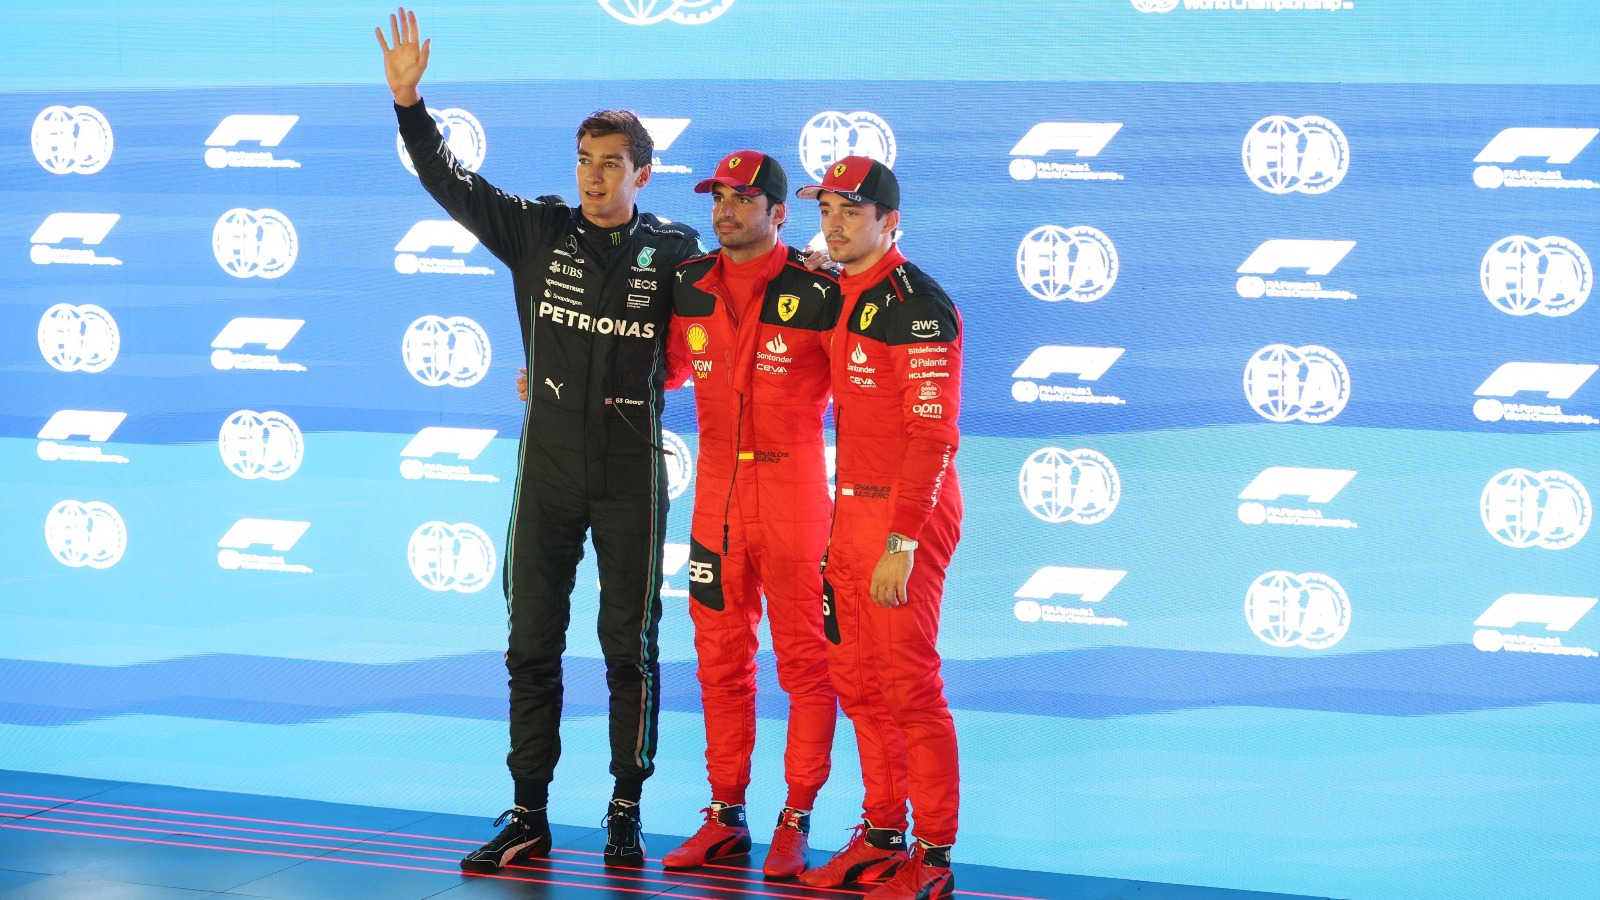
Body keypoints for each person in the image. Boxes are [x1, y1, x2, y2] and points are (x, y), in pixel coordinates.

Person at [377, 7, 702, 871]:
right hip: (548, 471)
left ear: (642, 173)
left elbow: (725, 329)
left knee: (629, 646)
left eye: (611, 166)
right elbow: (451, 182)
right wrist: (411, 104)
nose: (595, 179)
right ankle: (528, 812)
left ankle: (626, 808)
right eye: (585, 163)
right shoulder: (539, 229)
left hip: (632, 473)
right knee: (531, 646)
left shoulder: (676, 251)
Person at [661, 151, 841, 877]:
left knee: (807, 665)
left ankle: (796, 817)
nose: (725, 210)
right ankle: (724, 813)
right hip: (714, 506)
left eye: (743, 198)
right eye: (718, 198)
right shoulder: (690, 286)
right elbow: (663, 368)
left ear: (778, 211)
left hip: (796, 501)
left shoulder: (818, 286)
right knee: (719, 663)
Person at [795, 156, 964, 900]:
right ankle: (882, 833)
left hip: (907, 514)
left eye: (850, 211)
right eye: (827, 208)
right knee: (857, 683)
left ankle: (931, 855)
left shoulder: (917, 304)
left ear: (889, 222)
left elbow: (933, 439)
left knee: (909, 687)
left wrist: (901, 542)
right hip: (849, 508)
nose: (834, 223)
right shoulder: (839, 286)